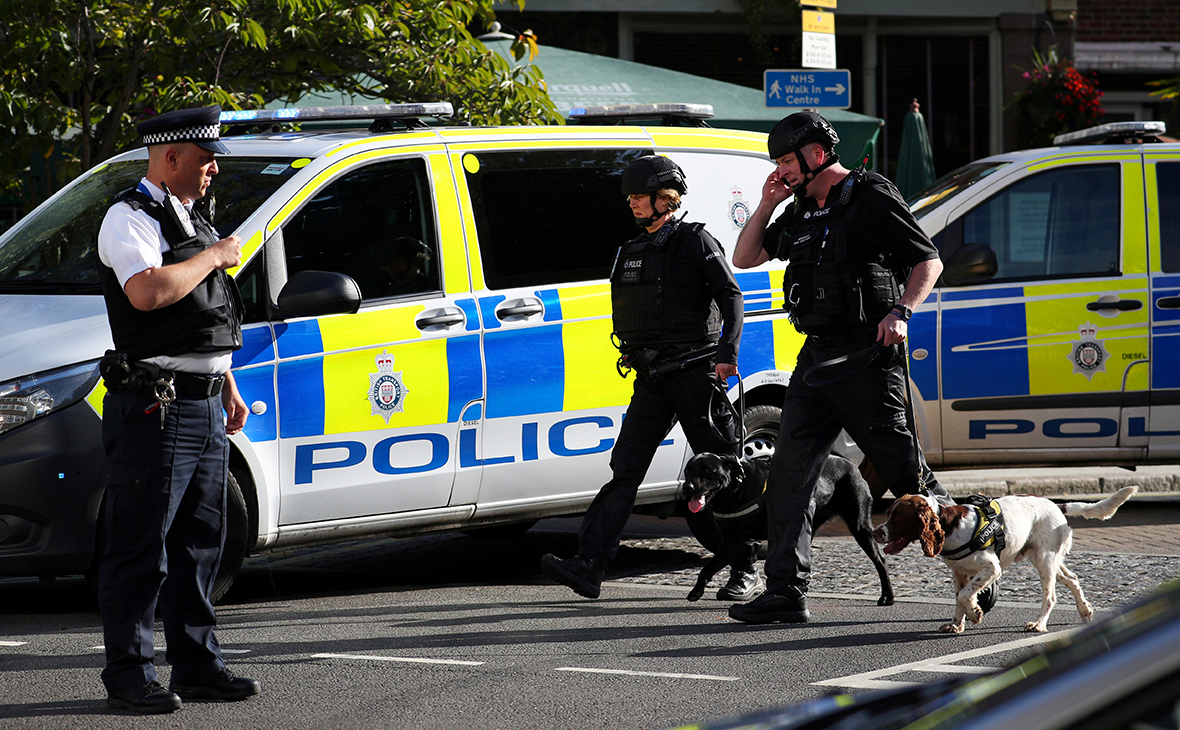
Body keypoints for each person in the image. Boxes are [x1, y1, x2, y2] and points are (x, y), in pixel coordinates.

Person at [726, 111, 959, 625]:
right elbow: (744, 258)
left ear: (815, 153)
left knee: (907, 477)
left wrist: (901, 312)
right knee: (788, 475)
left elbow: (929, 260)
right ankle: (786, 591)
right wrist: (767, 203)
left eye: (787, 161)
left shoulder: (870, 194)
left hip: (867, 356)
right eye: (778, 164)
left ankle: (974, 559)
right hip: (815, 359)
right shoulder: (800, 209)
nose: (782, 171)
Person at [95, 105, 261, 713]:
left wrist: (227, 383)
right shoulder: (129, 218)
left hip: (201, 404)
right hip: (154, 409)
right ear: (170, 159)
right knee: (141, 549)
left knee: (200, 546)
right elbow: (149, 293)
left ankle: (197, 666)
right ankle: (131, 675)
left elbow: (204, 319)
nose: (214, 168)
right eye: (205, 157)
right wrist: (214, 255)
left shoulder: (189, 215)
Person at [540, 155, 758, 601]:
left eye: (640, 197)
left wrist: (727, 353)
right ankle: (589, 565)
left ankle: (747, 567)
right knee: (625, 472)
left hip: (697, 374)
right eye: (632, 198)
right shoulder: (631, 249)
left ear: (666, 199)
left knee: (722, 476)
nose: (633, 204)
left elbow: (731, 295)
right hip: (652, 378)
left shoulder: (696, 241)